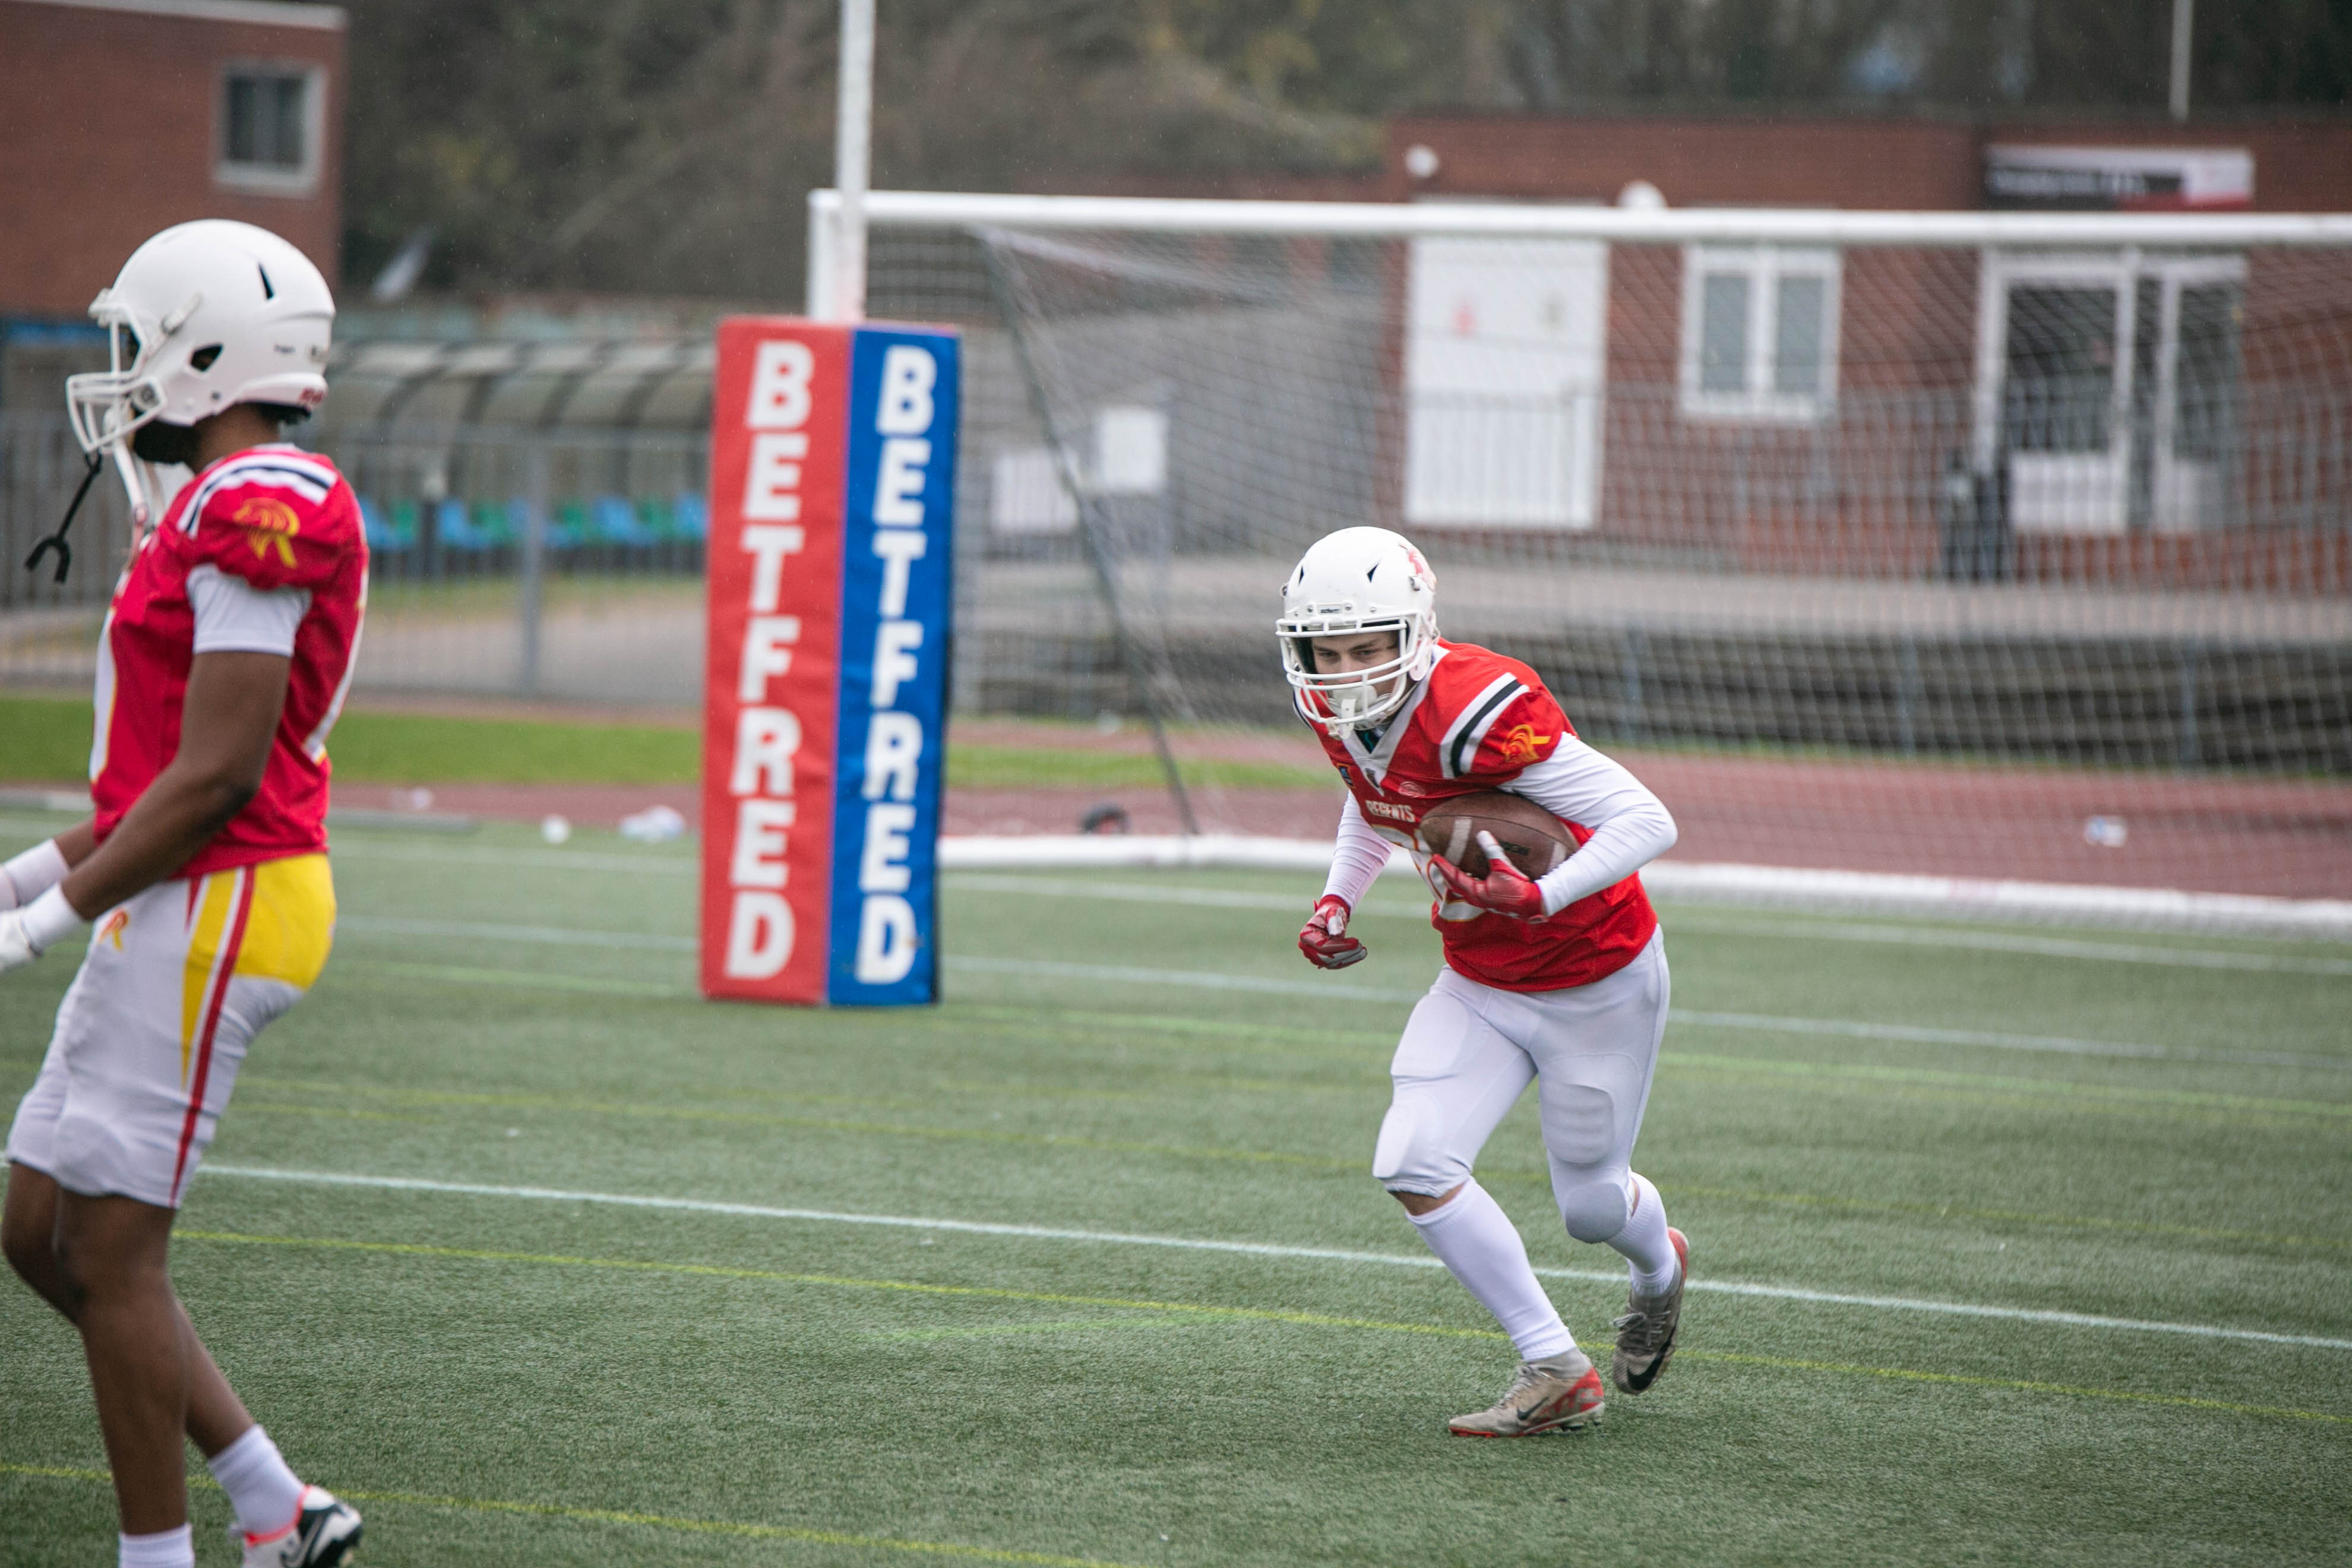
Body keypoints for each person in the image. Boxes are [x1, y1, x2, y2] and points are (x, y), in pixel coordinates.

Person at [0, 220, 365, 1568]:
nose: (122, 374)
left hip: (222, 891)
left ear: (206, 348)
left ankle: (163, 1558)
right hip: (178, 883)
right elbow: (139, 795)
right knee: (38, 1231)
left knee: (107, 1248)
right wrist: (24, 882)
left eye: (138, 342)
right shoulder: (222, 503)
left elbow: (213, 778)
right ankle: (275, 1500)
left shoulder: (264, 501)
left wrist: (45, 925)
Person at [1281, 526, 1687, 1438]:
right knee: (1412, 1160)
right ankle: (1555, 1365)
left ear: (1416, 631)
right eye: (1328, 651)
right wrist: (1338, 897)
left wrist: (1540, 892)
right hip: (1478, 979)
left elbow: (1644, 817)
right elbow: (1376, 800)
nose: (1345, 671)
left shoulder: (1475, 706)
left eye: (1367, 648)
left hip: (1595, 979)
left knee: (1591, 1208)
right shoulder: (1343, 709)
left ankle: (1659, 1272)